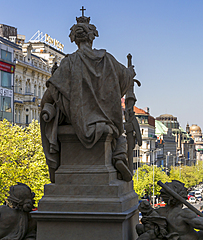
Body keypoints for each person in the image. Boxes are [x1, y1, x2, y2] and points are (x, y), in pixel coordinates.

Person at [40, 13, 136, 183]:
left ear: (74, 40)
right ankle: (119, 157)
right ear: (92, 38)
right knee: (118, 134)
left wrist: (45, 108)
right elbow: (125, 78)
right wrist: (131, 73)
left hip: (77, 119)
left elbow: (52, 91)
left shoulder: (68, 62)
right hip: (104, 120)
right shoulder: (107, 59)